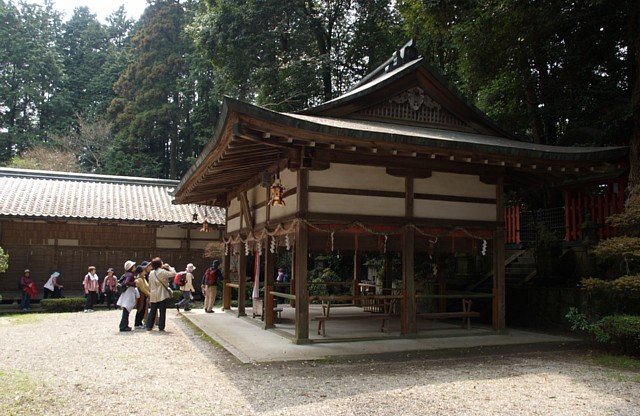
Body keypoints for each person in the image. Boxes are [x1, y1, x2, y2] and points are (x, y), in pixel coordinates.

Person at [145, 257, 175, 331]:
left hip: (153, 294)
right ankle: (161, 326)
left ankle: (149, 325)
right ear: (160, 264)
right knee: (162, 311)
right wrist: (169, 267)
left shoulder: (151, 273)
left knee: (153, 310)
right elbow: (173, 274)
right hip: (162, 294)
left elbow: (150, 284)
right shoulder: (162, 272)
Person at [116, 261, 138, 332]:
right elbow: (127, 282)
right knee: (126, 310)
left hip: (126, 292)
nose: (135, 267)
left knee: (126, 310)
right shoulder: (130, 275)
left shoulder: (126, 274)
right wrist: (134, 283)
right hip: (129, 293)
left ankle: (124, 325)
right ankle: (123, 326)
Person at [134, 261, 151, 329]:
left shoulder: (143, 278)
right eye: (144, 271)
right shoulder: (140, 279)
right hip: (142, 296)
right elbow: (142, 289)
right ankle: (137, 323)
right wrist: (149, 294)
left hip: (144, 296)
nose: (145, 272)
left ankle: (140, 322)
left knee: (143, 309)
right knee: (140, 309)